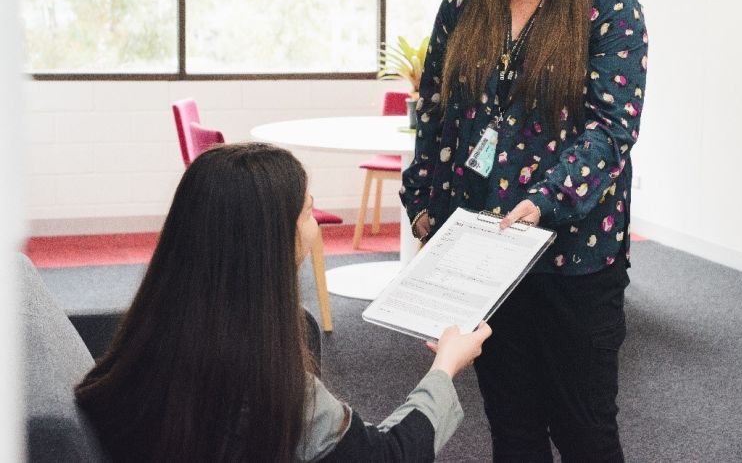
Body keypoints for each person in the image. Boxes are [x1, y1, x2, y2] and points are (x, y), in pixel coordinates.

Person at [401, 0, 647, 463]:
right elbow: (435, 112)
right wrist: (423, 205)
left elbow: (611, 130)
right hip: (482, 257)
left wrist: (545, 201)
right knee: (512, 432)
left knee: (586, 434)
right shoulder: (465, 1)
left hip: (574, 261)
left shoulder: (609, 7)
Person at [75, 142, 491, 462]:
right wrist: (445, 367)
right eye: (308, 212)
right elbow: (390, 456)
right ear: (272, 238)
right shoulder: (271, 389)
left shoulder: (145, 342)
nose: (315, 226)